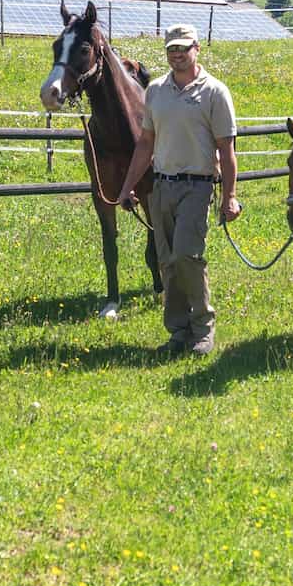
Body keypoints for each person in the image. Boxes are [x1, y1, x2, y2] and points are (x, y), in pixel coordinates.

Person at [118, 23, 241, 355]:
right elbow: (146, 144)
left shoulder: (215, 92)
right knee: (168, 262)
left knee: (187, 255)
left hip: (197, 187)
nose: (177, 54)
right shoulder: (155, 91)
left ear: (197, 48)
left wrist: (229, 196)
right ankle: (178, 331)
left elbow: (227, 150)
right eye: (171, 49)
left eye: (183, 48)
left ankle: (203, 328)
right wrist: (127, 188)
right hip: (162, 187)